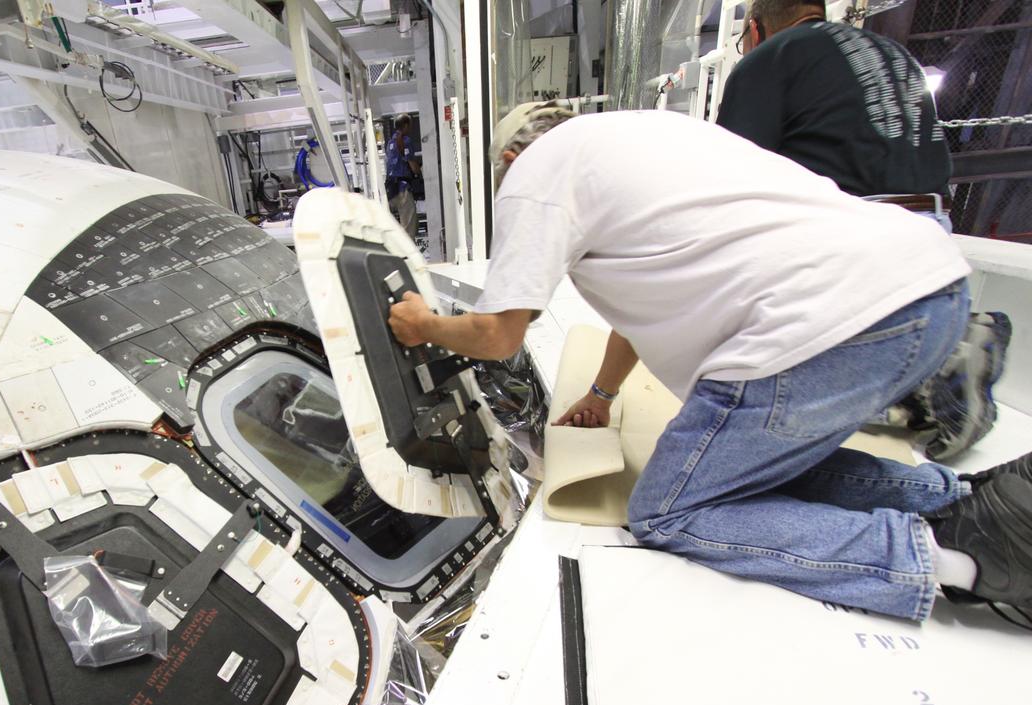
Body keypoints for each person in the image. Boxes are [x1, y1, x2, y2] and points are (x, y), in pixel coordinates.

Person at [387, 103, 1032, 620]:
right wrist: (604, 397)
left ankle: (954, 557)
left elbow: (500, 335)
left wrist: (424, 325)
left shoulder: (536, 170)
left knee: (670, 509)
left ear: (509, 160)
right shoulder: (648, 137)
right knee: (744, 469)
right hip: (929, 295)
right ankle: (965, 505)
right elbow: (640, 310)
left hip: (818, 329)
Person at [717, 0, 1012, 461]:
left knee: (769, 396)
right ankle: (939, 356)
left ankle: (941, 364)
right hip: (932, 229)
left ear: (755, 29)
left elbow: (731, 178)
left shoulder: (770, 58)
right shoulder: (894, 55)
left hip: (855, 233)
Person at [385, 114, 421, 237]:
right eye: (410, 125)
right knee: (409, 228)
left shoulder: (390, 143)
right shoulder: (405, 141)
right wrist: (418, 171)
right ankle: (409, 254)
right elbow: (413, 167)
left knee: (395, 227)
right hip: (403, 189)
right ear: (405, 125)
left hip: (391, 190)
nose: (411, 128)